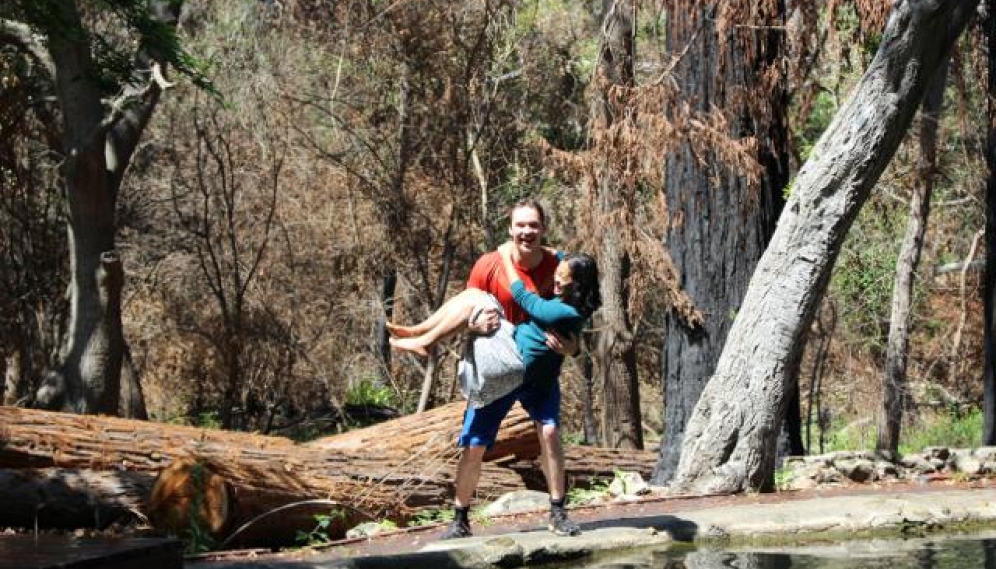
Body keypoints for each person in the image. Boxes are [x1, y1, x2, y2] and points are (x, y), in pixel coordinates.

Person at [388, 200, 599, 539]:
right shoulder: (489, 264)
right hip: (499, 363)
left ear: (543, 228)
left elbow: (577, 317)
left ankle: (558, 512)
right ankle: (459, 519)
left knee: (549, 432)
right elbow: (465, 306)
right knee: (474, 443)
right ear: (510, 229)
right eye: (521, 225)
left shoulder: (561, 266)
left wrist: (573, 348)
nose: (527, 231)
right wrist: (474, 325)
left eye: (533, 225)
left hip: (538, 367)